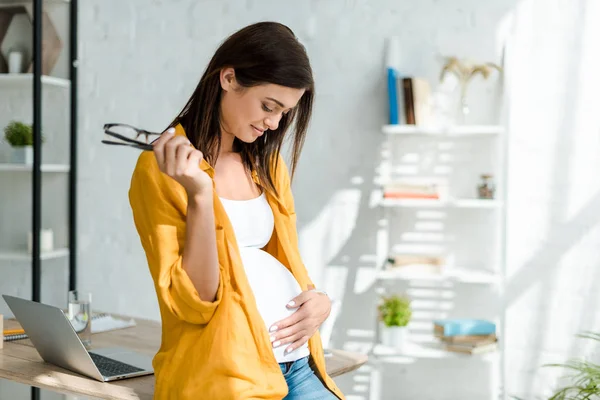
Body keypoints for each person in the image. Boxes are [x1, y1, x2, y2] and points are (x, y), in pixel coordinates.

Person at [128, 22, 344, 399]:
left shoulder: (267, 164)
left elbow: (285, 258)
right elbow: (193, 302)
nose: (274, 123)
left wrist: (318, 301)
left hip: (298, 364)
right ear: (228, 78)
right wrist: (199, 195)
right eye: (268, 106)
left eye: (284, 113)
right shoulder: (162, 170)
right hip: (229, 375)